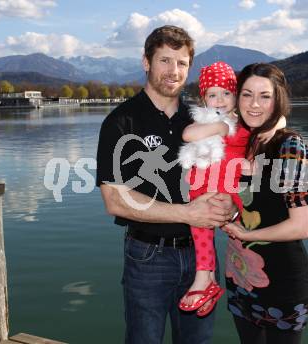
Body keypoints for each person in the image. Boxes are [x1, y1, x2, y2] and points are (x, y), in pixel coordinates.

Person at [95, 26, 237, 344]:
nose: (174, 71)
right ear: (146, 62)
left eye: (182, 62)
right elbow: (114, 201)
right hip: (148, 257)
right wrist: (188, 213)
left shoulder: (202, 117)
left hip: (202, 256)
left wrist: (228, 204)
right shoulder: (121, 122)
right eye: (165, 60)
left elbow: (225, 170)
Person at [222, 63, 308, 344]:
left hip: (282, 283)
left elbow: (302, 226)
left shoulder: (289, 147)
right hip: (240, 276)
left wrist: (247, 234)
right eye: (246, 94)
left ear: (278, 99)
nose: (254, 104)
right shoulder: (243, 142)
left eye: (265, 96)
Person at [178, 61, 286, 317]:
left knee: (232, 228)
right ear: (203, 98)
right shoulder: (204, 121)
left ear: (235, 95)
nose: (219, 100)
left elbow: (278, 117)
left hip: (230, 188)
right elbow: (187, 135)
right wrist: (218, 127)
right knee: (200, 230)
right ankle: (206, 279)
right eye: (212, 95)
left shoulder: (244, 123)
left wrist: (276, 125)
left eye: (226, 93)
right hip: (203, 188)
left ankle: (214, 283)